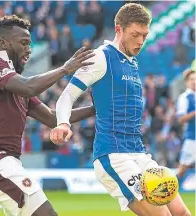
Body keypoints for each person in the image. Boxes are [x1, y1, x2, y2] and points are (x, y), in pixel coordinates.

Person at [50, 3, 191, 216]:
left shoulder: (132, 63)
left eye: (144, 35)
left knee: (181, 212)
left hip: (139, 153)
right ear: (119, 29)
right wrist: (63, 123)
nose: (141, 41)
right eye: (135, 34)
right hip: (113, 155)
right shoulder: (101, 57)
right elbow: (66, 96)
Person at [0, 15, 96, 216]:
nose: (29, 49)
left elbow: (53, 118)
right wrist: (65, 69)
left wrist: (95, 109)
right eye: (24, 43)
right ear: (3, 43)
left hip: (4, 162)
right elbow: (29, 87)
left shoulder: (15, 82)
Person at [176, 68, 195, 179]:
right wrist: (194, 113)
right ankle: (168, 191)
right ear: (187, 82)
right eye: (192, 79)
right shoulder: (184, 97)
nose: (194, 81)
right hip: (192, 138)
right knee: (183, 168)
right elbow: (181, 119)